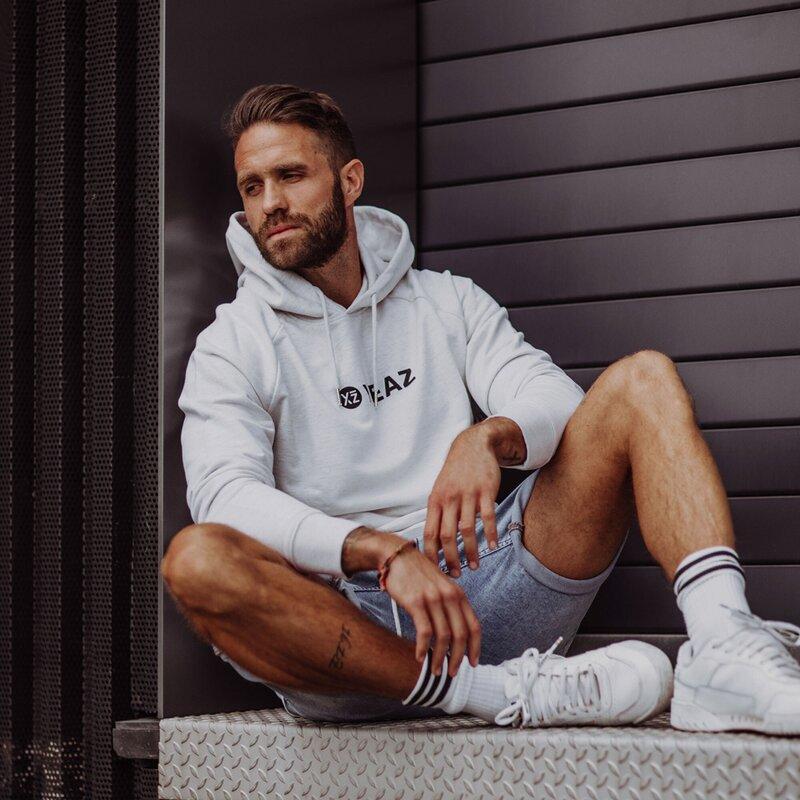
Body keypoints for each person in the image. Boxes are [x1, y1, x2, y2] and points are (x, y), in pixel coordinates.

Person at [162, 83, 800, 733]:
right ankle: (488, 692)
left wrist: (488, 438)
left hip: (486, 577)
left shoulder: (446, 301)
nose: (270, 203)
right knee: (196, 559)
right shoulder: (234, 343)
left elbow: (557, 399)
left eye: (290, 176)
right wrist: (377, 550)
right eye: (252, 186)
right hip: (346, 638)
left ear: (349, 181)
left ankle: (723, 650)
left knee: (643, 381)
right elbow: (225, 496)